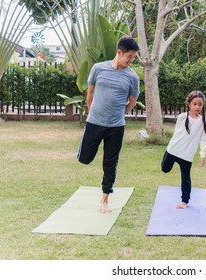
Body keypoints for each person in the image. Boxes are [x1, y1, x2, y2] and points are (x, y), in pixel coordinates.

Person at [77, 36, 140, 213]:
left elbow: (132, 101)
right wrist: (91, 112)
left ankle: (104, 199)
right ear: (119, 52)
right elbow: (90, 93)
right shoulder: (98, 69)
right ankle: (83, 149)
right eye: (129, 56)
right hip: (94, 122)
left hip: (116, 127)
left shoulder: (132, 77)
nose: (131, 60)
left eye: (133, 57)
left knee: (110, 163)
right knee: (85, 159)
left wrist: (121, 113)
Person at [161, 91, 206, 209]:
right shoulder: (182, 117)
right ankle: (166, 157)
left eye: (200, 104)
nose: (197, 107)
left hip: (187, 155)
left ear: (203, 105)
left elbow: (203, 138)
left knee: (186, 177)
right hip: (173, 150)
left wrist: (202, 154)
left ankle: (184, 201)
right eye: (195, 104)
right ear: (189, 104)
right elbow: (177, 133)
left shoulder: (203, 121)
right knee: (165, 169)